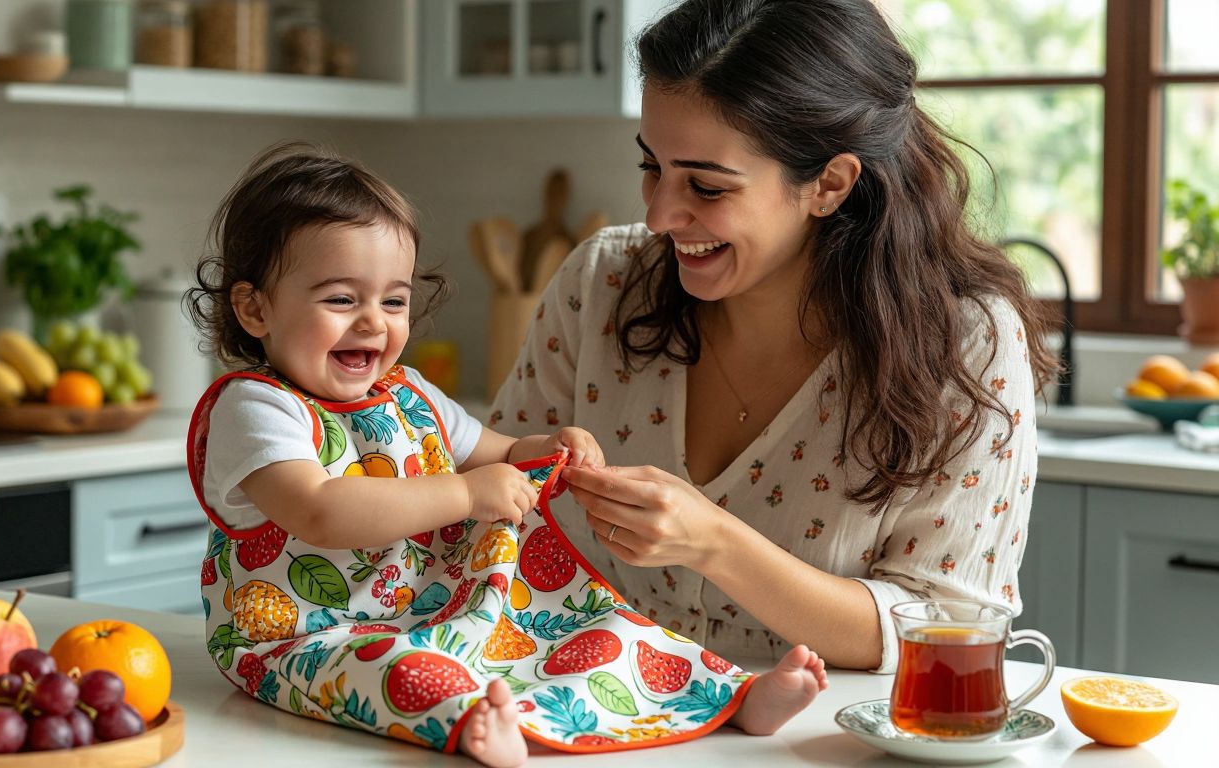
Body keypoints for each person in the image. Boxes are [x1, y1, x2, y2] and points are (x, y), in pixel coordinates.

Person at [184, 143, 829, 768]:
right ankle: (472, 723)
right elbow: (321, 511)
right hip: (303, 638)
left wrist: (546, 448)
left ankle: (730, 697)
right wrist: (467, 496)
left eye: (394, 300)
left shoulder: (407, 392)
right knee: (396, 671)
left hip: (433, 612)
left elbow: (491, 449)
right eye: (341, 299)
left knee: (593, 626)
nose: (374, 323)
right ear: (255, 308)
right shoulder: (257, 408)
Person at [491, 0, 1059, 675]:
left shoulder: (966, 343)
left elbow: (947, 631)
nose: (660, 214)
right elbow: (494, 508)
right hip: (589, 717)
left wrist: (714, 543)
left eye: (705, 184)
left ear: (829, 183)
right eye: (652, 168)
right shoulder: (603, 285)